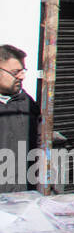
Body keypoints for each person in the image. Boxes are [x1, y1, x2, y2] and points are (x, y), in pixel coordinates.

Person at [0, 45, 37, 194]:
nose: (22, 77)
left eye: (23, 71)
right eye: (16, 72)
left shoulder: (28, 104)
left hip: (23, 194)